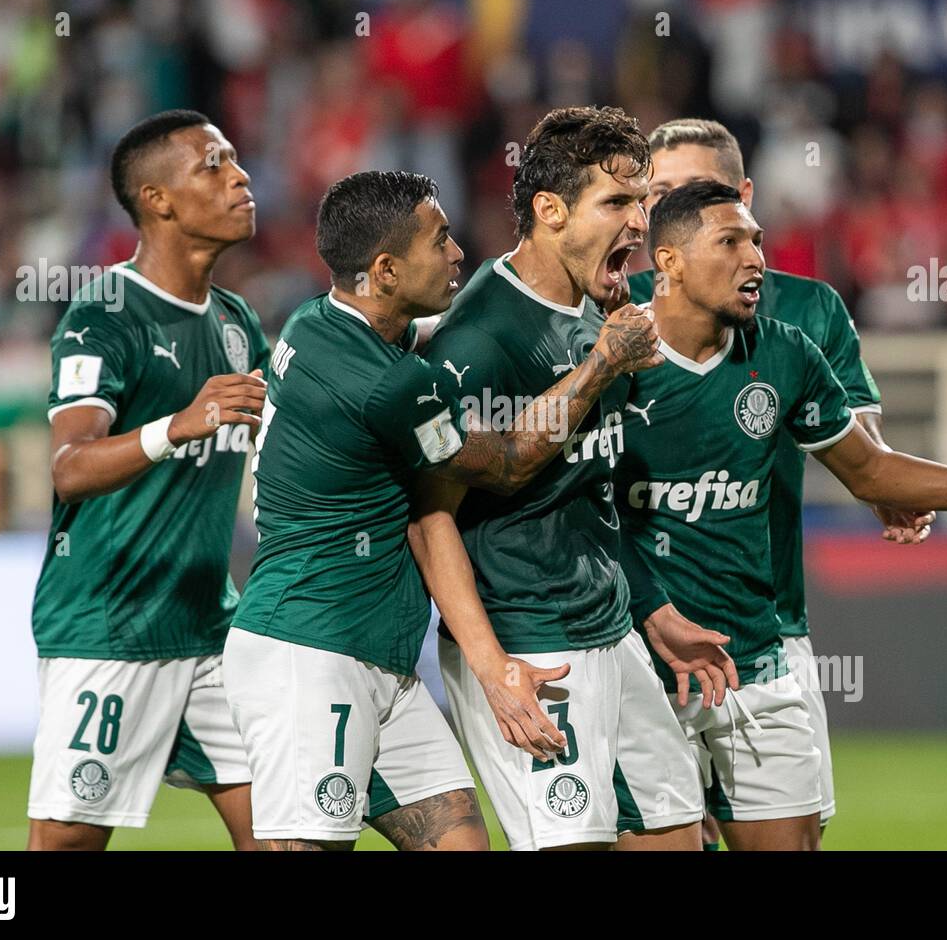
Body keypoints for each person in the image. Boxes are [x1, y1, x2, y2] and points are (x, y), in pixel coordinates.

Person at [617, 180, 947, 849]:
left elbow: (871, 470)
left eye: (756, 240)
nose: (754, 258)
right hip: (643, 670)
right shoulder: (609, 358)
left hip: (754, 660)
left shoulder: (784, 353)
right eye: (730, 241)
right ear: (668, 261)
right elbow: (576, 512)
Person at [223, 170, 665, 850]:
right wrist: (601, 361)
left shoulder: (323, 324)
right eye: (440, 241)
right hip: (307, 651)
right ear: (386, 270)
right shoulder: (386, 383)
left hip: (379, 652)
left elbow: (436, 335)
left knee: (459, 841)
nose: (458, 253)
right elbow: (508, 461)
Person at [412, 107, 737, 851]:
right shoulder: (478, 341)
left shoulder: (601, 314)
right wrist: (492, 671)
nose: (640, 222)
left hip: (611, 631)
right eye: (618, 203)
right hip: (531, 639)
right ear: (550, 210)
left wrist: (651, 614)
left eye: (644, 202)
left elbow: (587, 492)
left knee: (676, 838)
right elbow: (429, 522)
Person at [634, 117, 934, 839]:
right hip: (642, 631)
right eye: (660, 193)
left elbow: (863, 442)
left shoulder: (808, 309)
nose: (671, 204)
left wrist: (889, 491)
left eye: (698, 190)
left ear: (743, 195)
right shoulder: (617, 316)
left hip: (770, 620)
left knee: (792, 832)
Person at [27, 110, 269, 850]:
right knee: (67, 843)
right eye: (213, 164)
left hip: (206, 626)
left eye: (235, 159)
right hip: (110, 623)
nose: (240, 176)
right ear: (157, 199)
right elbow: (70, 469)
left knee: (288, 828)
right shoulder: (106, 313)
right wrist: (176, 425)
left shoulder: (236, 323)